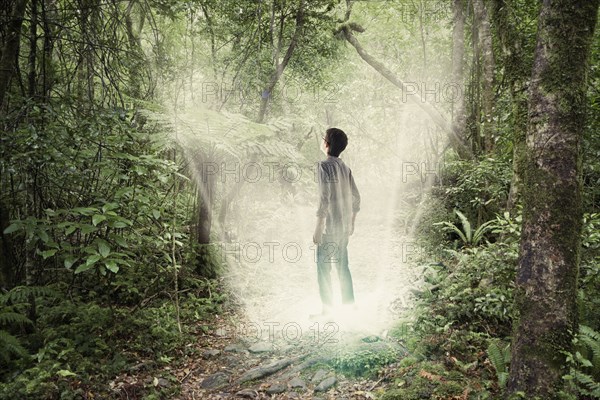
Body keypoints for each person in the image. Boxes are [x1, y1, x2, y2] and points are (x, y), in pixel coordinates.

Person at [312, 127, 361, 317]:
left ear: (326, 144)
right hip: (343, 228)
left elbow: (324, 198)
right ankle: (350, 307)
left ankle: (328, 310)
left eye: (323, 138)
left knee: (324, 269)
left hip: (329, 229)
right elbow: (357, 197)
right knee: (343, 267)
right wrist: (352, 222)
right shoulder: (345, 168)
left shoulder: (323, 166)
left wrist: (318, 228)